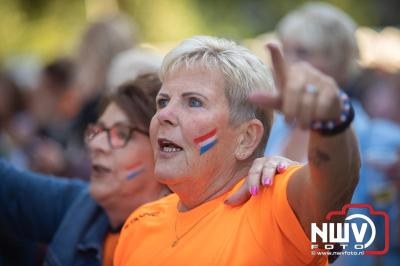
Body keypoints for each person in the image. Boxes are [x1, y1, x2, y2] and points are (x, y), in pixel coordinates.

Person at [114, 36, 360, 265]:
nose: (164, 115)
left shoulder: (275, 203)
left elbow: (336, 183)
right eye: (163, 101)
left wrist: (333, 119)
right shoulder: (139, 224)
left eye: (194, 102)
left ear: (246, 138)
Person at [0, 72, 291, 266]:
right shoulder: (83, 207)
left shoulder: (242, 219)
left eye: (120, 134)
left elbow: (329, 231)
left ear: (164, 145)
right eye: (98, 130)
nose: (96, 145)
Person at [266, 3, 400, 264]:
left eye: (303, 52)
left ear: (339, 63)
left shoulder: (385, 140)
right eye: (285, 49)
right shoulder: (270, 130)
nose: (289, 63)